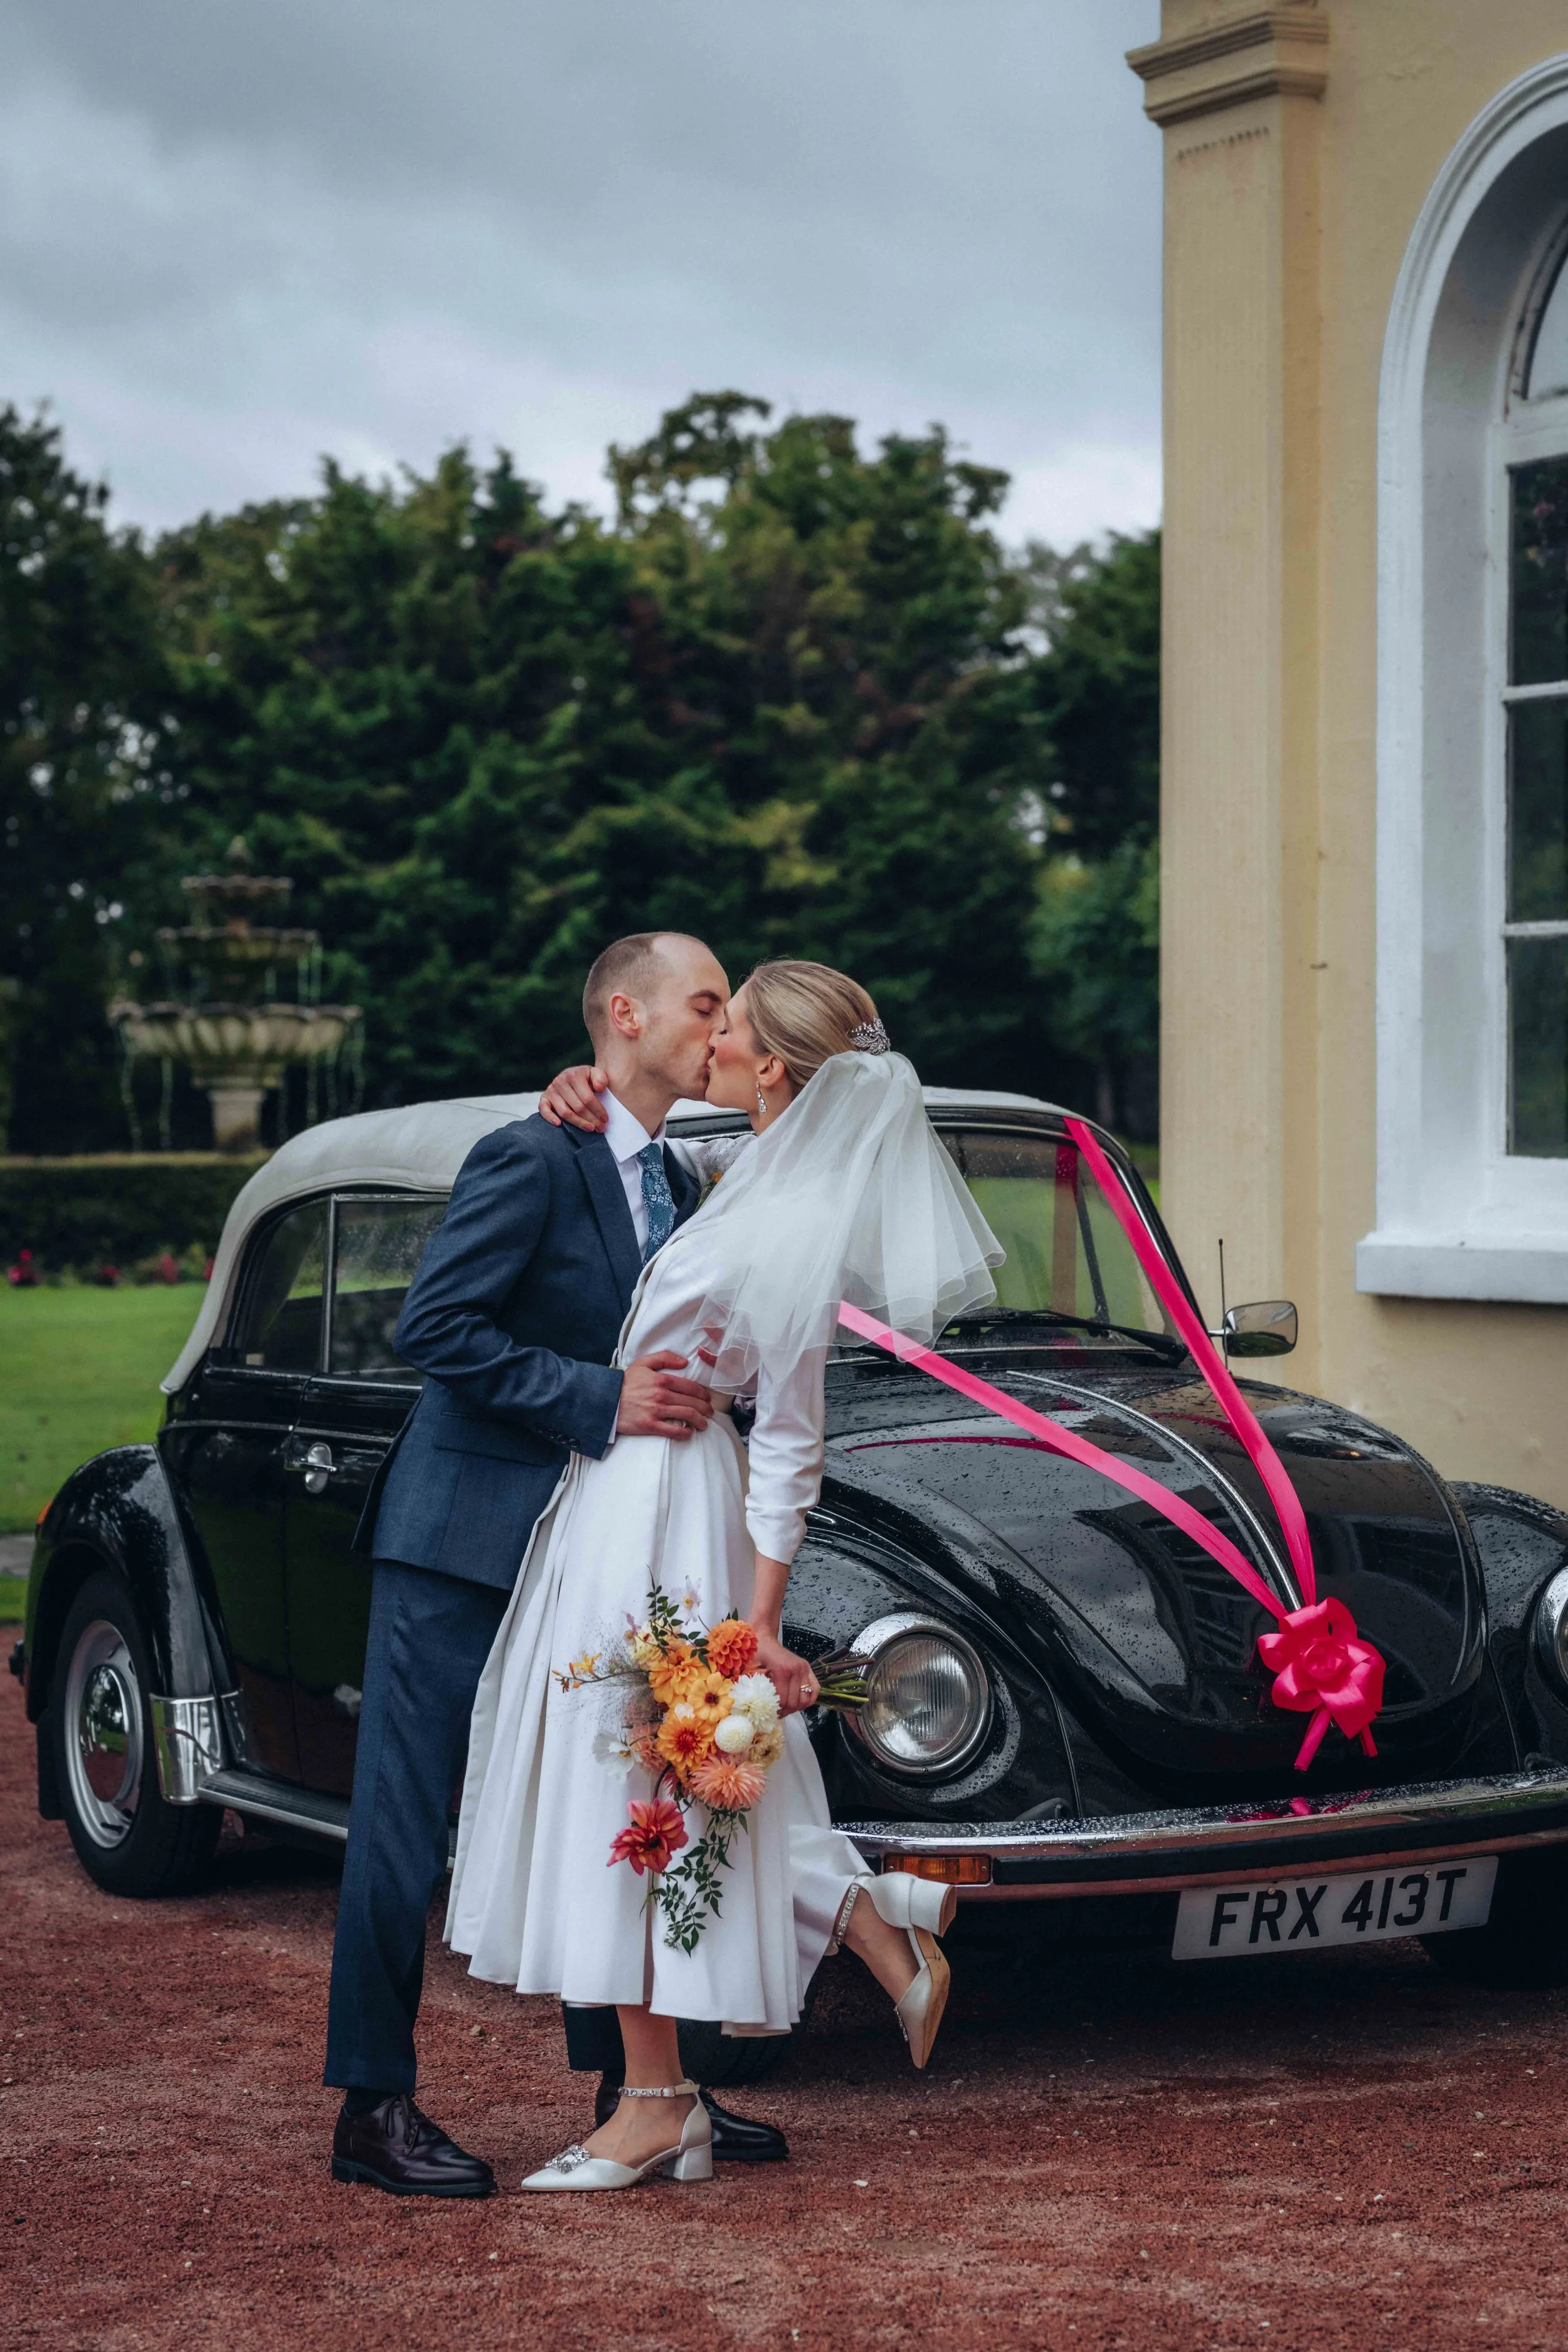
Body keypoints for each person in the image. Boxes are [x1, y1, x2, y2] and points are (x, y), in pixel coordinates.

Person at [447, 960, 1003, 2191]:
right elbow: (651, 1199)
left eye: (731, 1025)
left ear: (773, 1071)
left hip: (658, 1512)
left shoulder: (782, 1218)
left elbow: (792, 1433)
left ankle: (657, 2100)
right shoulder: (747, 1181)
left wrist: (756, 1618)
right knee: (680, 1773)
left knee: (643, 1778)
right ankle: (857, 1936)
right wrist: (575, 1084)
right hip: (641, 1499)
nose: (710, 1038)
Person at [325, 931, 788, 2196]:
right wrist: (600, 1396)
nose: (718, 1026)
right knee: (404, 1822)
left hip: (599, 1555)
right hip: (466, 1541)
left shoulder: (685, 1185)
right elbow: (437, 1329)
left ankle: (644, 2093)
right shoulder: (530, 1153)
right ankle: (372, 2107)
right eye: (703, 1005)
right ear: (625, 1017)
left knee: (618, 1799)